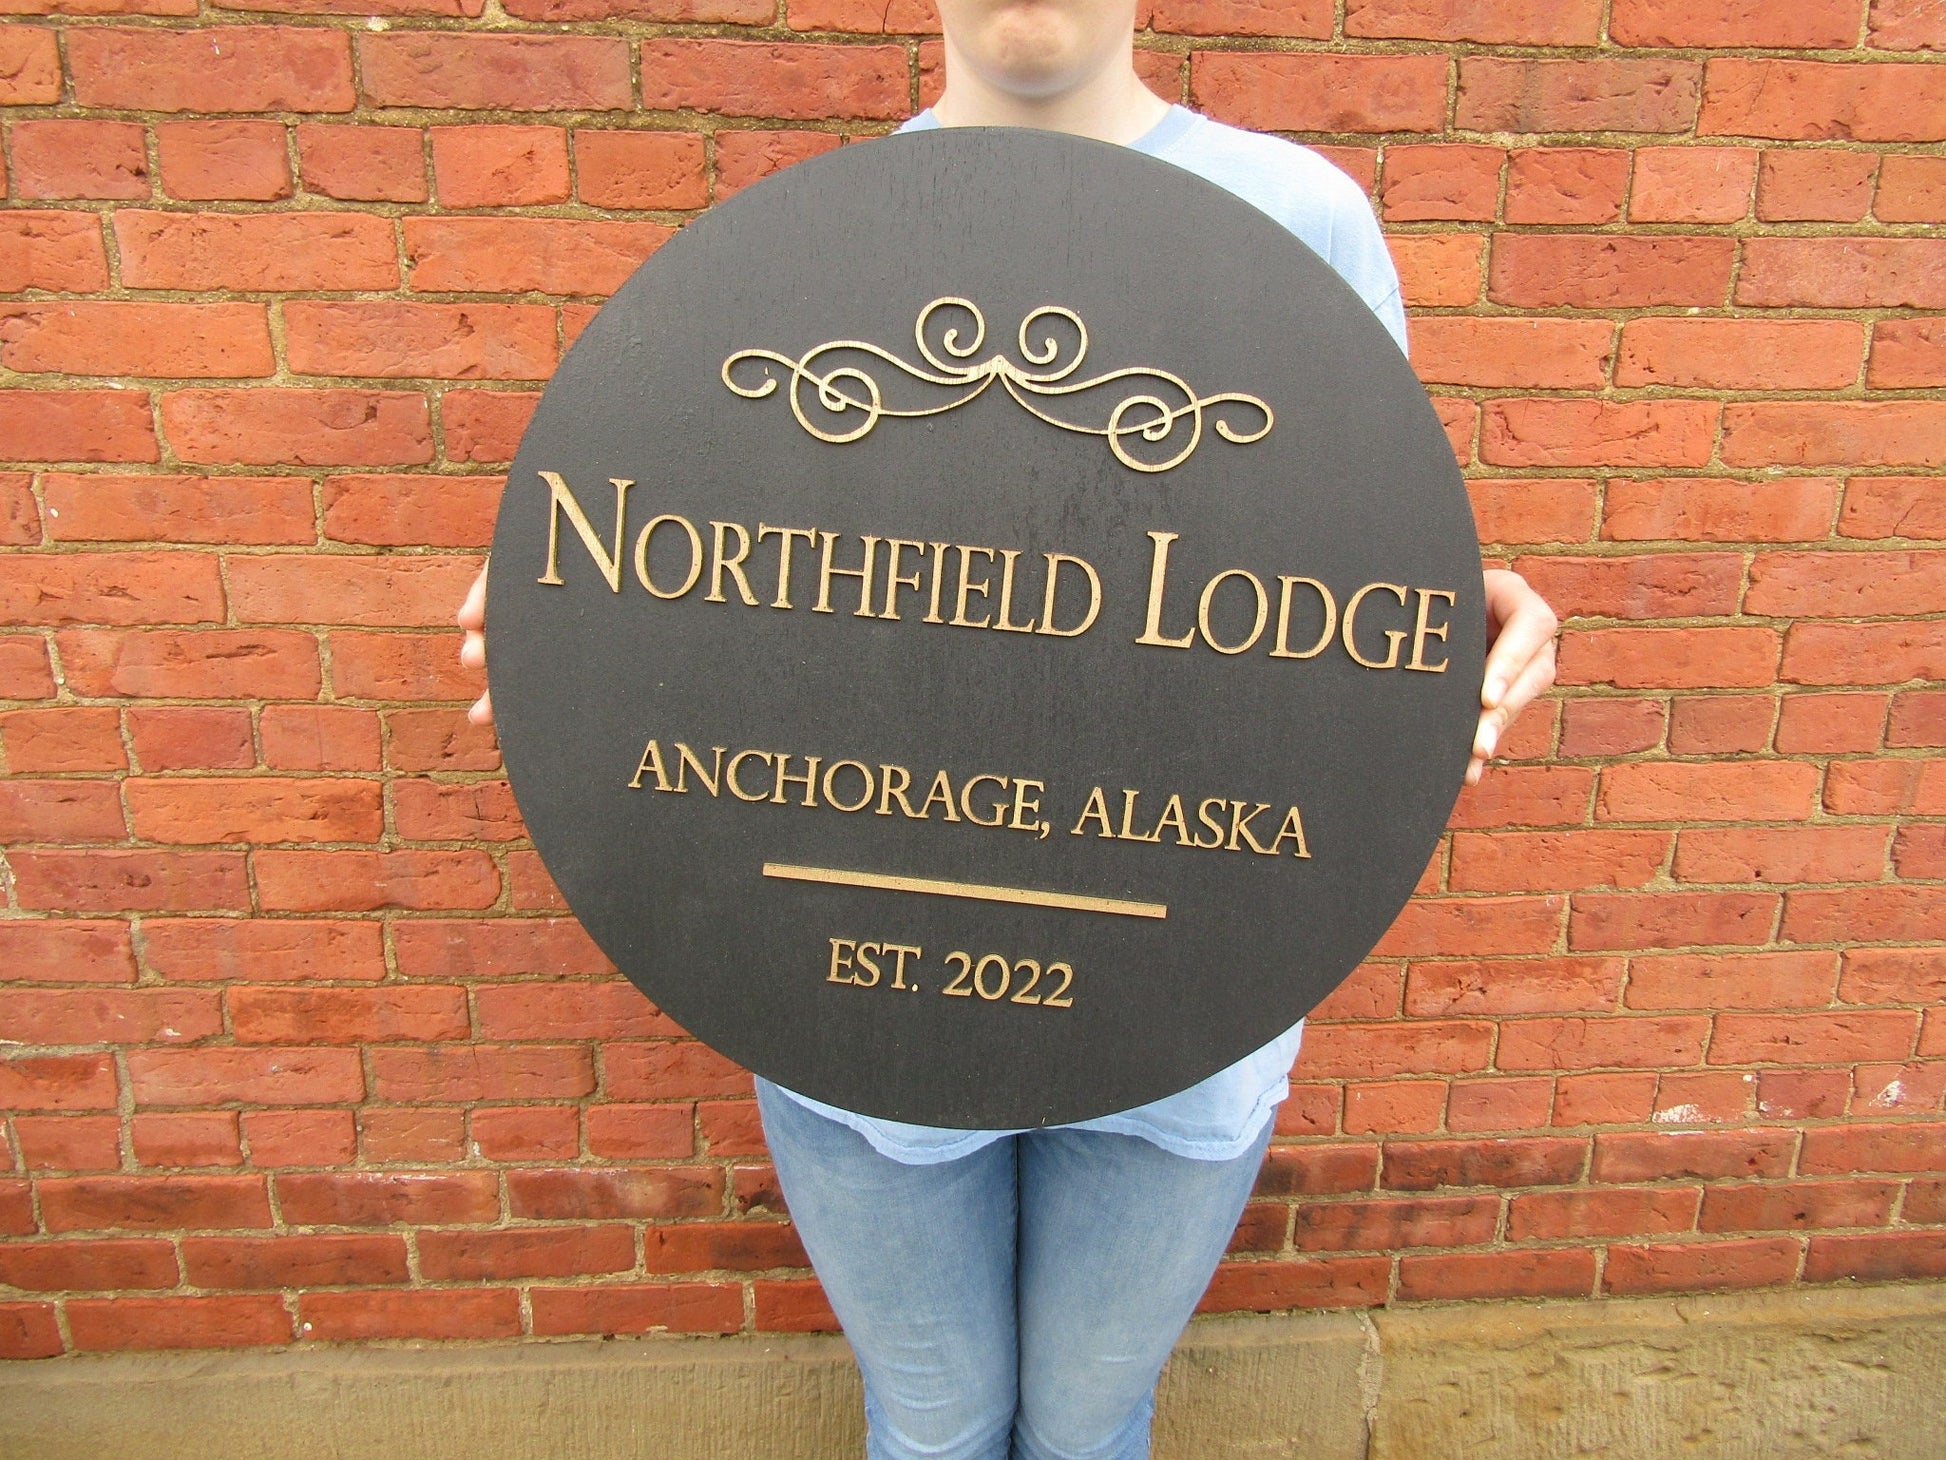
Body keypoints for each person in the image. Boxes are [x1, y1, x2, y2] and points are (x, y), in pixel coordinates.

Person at [458, 1, 1560, 1453]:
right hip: (856, 1000)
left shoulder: (1304, 218)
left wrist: (1463, 613)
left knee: (1092, 1424)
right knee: (933, 1426)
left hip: (1186, 991)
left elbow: (1338, 553)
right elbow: (730, 555)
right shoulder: (814, 240)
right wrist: (579, 616)